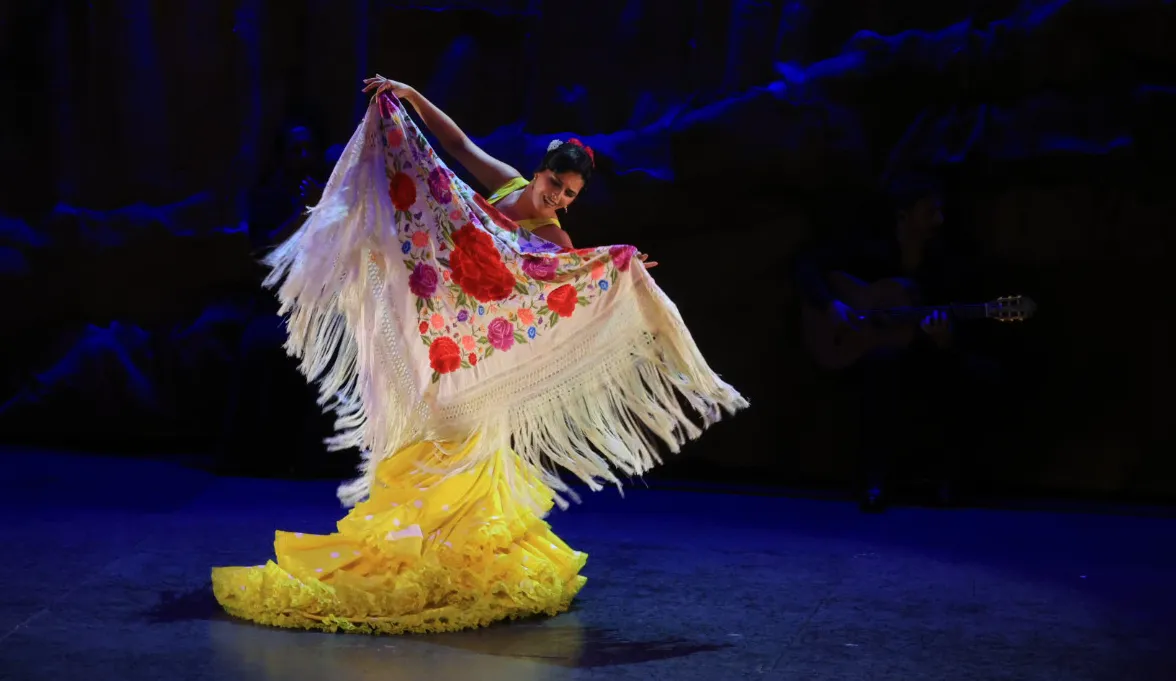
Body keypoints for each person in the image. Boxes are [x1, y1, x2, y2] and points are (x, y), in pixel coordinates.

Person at [210, 76, 745, 634]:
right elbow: (460, 146)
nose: (557, 199)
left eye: (569, 196)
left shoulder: (556, 239)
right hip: (441, 329)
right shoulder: (507, 183)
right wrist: (411, 97)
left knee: (458, 446)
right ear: (540, 171)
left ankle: (451, 554)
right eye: (555, 185)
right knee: (424, 435)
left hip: (480, 353)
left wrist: (618, 274)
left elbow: (564, 284)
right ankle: (423, 544)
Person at [794, 173, 996, 512]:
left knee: (964, 372)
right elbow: (807, 266)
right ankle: (875, 480)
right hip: (859, 350)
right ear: (903, 215)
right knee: (882, 362)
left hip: (923, 353)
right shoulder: (866, 248)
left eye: (940, 212)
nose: (939, 221)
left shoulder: (945, 264)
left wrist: (946, 337)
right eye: (930, 213)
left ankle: (947, 480)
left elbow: (958, 316)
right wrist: (832, 306)